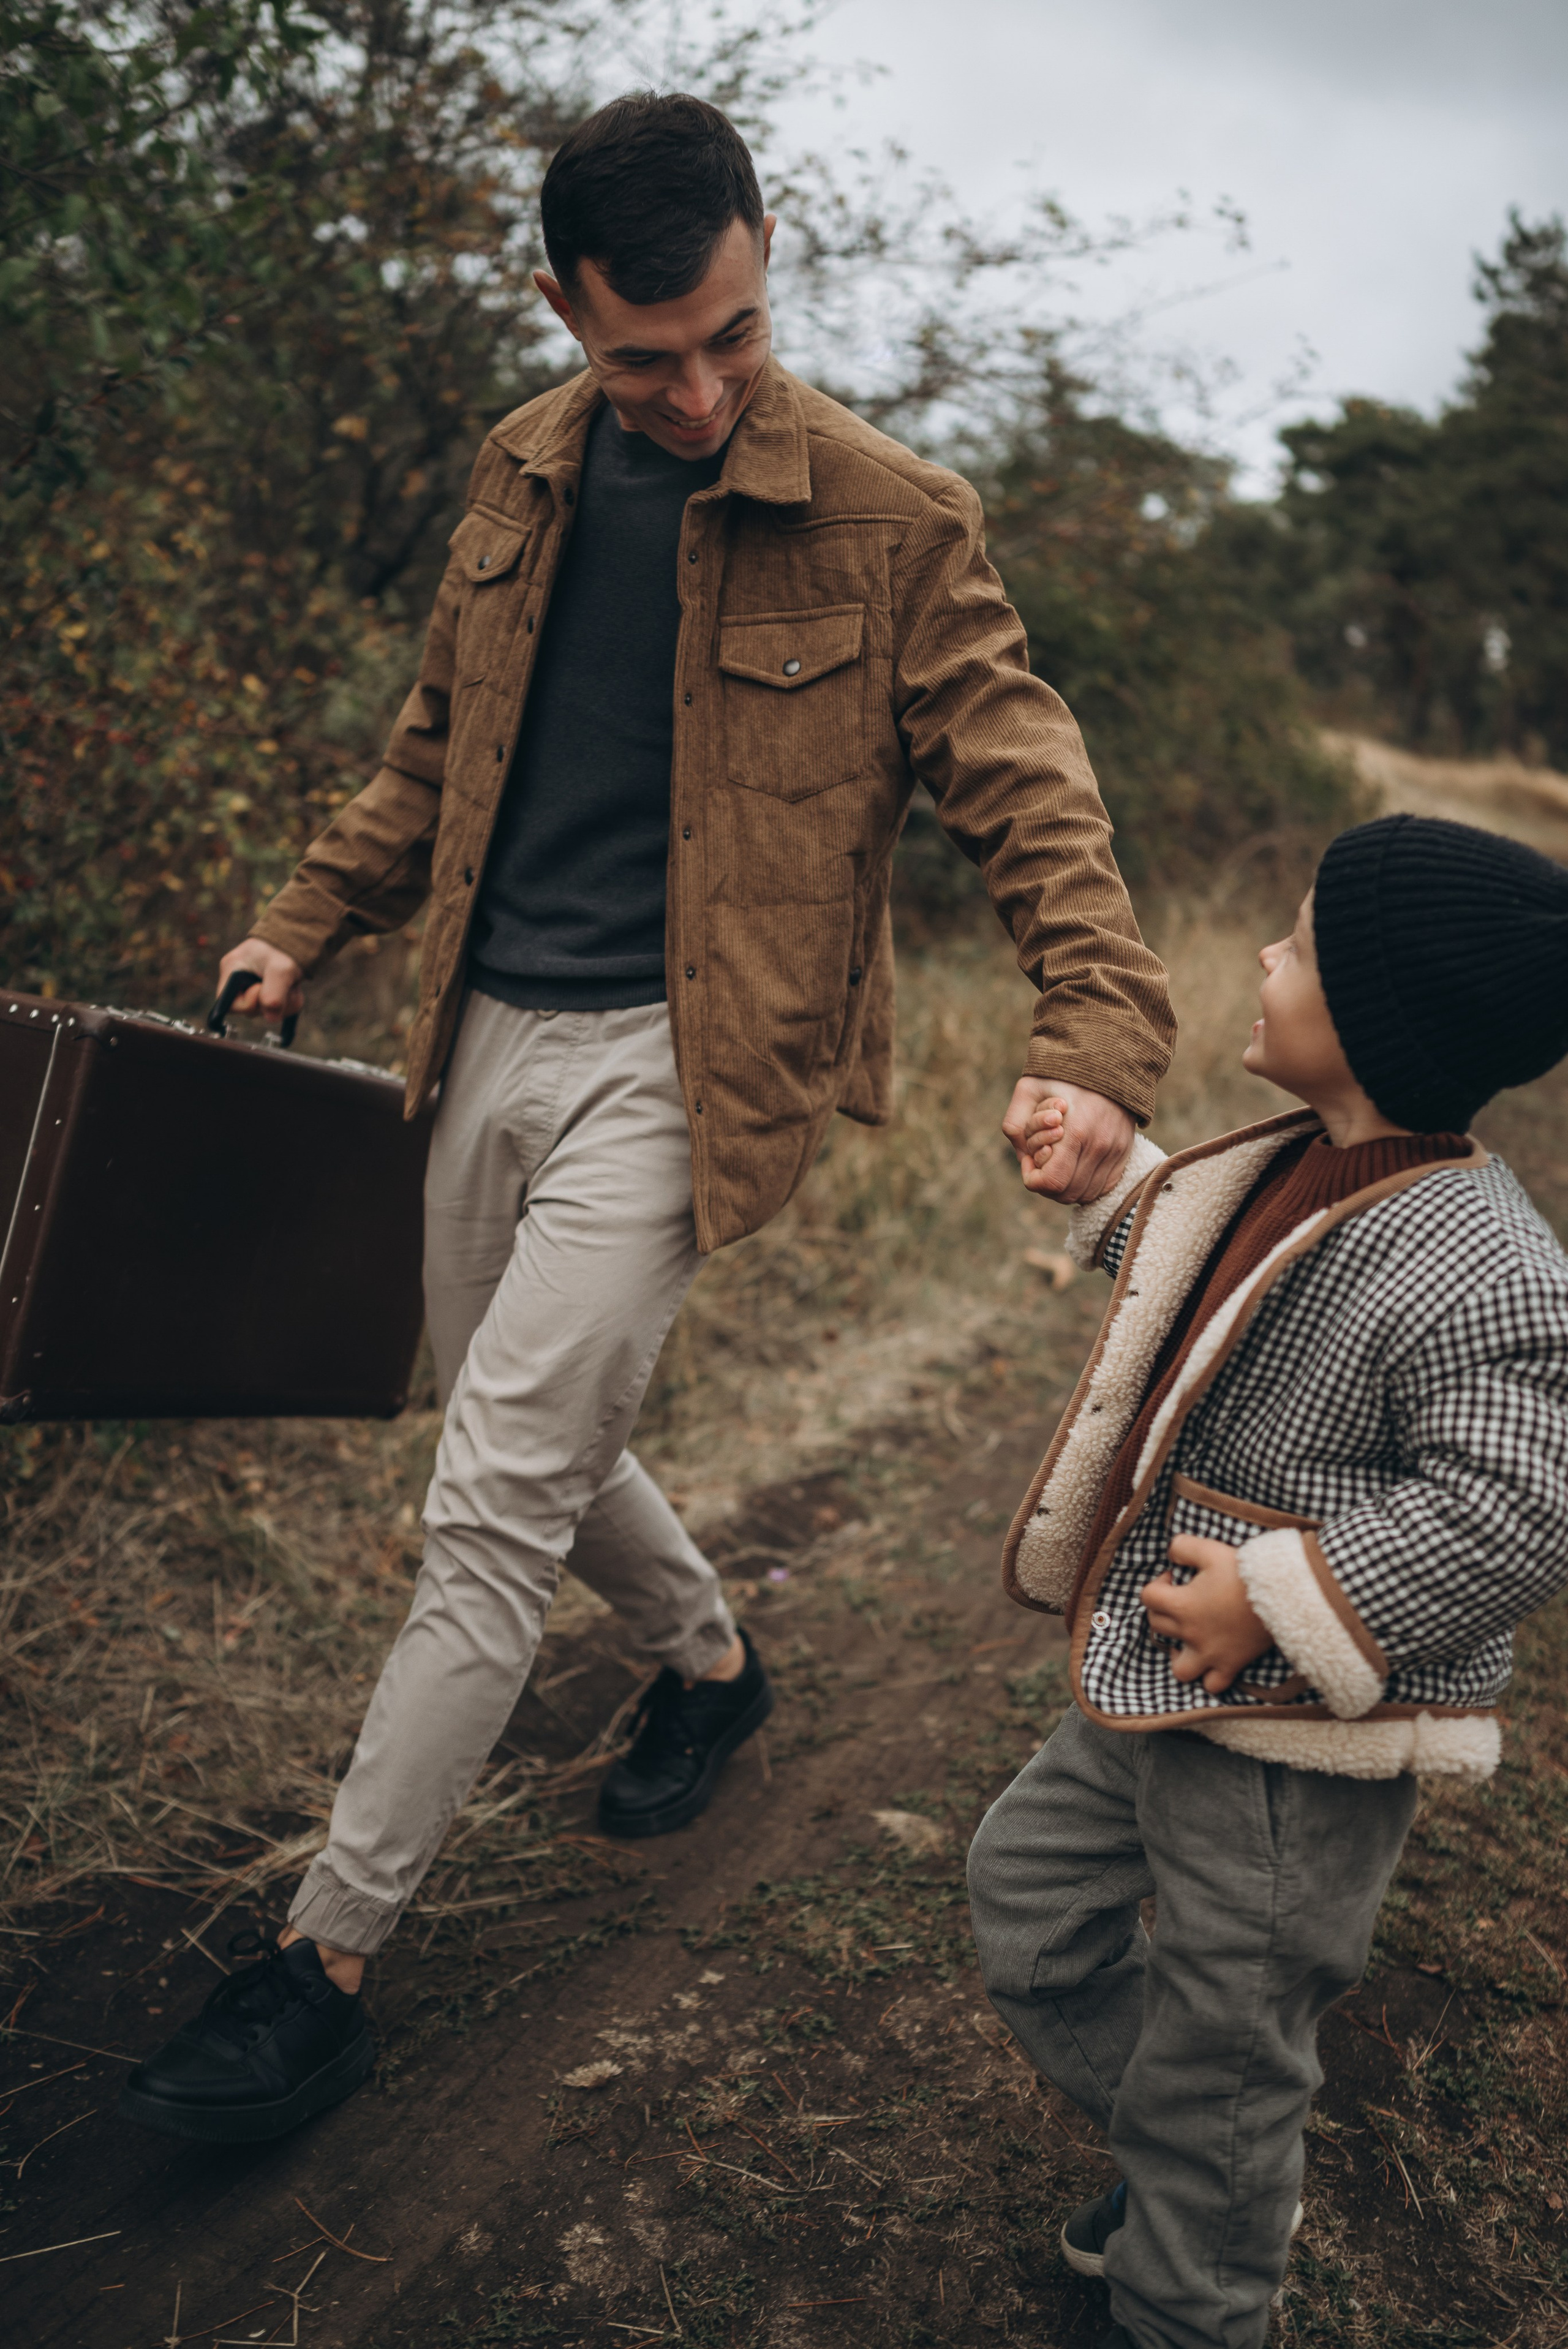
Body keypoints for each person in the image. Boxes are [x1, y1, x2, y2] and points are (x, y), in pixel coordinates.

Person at [118, 91, 1173, 2146]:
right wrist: (297, 922)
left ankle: (321, 1965)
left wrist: (1098, 1029)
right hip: (479, 1031)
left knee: (495, 1489)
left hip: (691, 1067)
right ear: (559, 310)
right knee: (511, 1418)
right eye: (643, 358)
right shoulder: (521, 466)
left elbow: (1026, 785)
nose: (695, 392)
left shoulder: (891, 515)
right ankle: (708, 1664)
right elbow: (437, 747)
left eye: (735, 337)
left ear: (767, 258)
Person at [967, 813, 1568, 2349]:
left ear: (1372, 1015)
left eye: (1293, 944)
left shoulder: (1490, 1263)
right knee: (1026, 1902)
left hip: (1288, 1747)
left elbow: (1519, 1502)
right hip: (1152, 1683)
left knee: (1228, 2049)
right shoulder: (1302, 1165)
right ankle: (1210, 2173)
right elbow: (1216, 1285)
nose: (1259, 953)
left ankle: (1188, 2292)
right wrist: (1109, 1185)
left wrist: (1287, 1595)